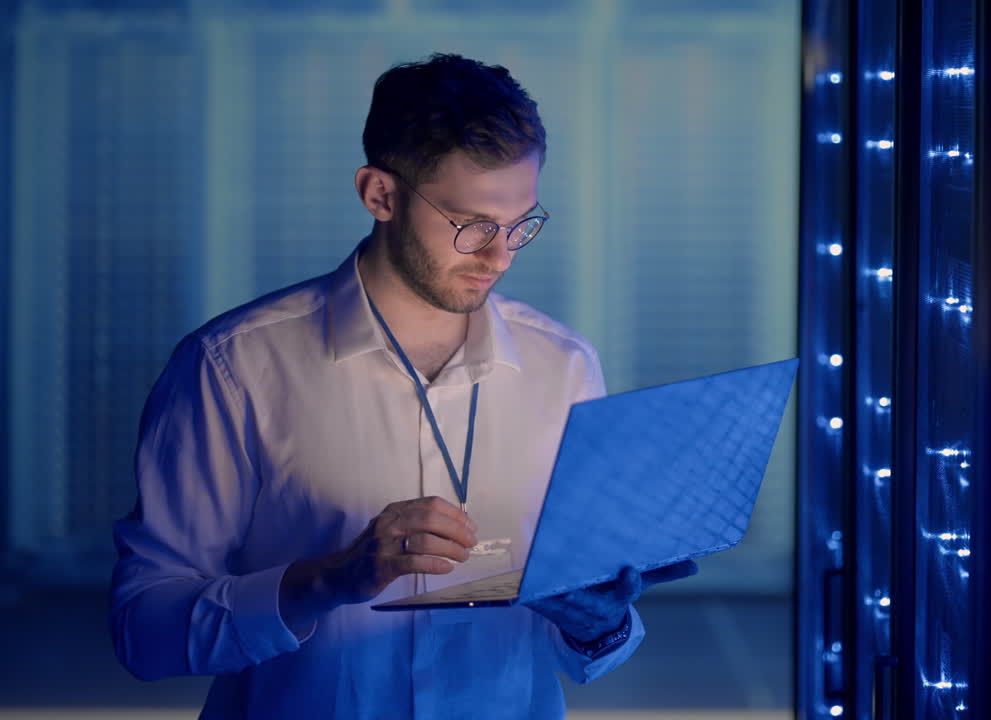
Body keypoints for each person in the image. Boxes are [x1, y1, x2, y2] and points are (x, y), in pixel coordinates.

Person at [110, 53, 695, 719]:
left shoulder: (565, 366)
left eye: (521, 224)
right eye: (472, 224)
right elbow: (142, 631)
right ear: (379, 194)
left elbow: (590, 648)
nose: (499, 255)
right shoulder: (232, 366)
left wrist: (599, 619)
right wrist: (325, 581)